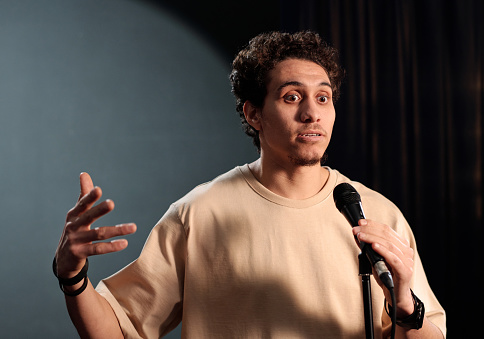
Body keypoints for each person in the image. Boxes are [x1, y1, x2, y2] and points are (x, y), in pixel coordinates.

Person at [54, 31, 446, 338]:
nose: (312, 113)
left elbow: (429, 333)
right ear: (254, 113)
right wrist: (72, 275)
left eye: (323, 98)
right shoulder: (200, 212)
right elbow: (118, 330)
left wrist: (406, 303)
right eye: (293, 97)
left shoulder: (377, 213)